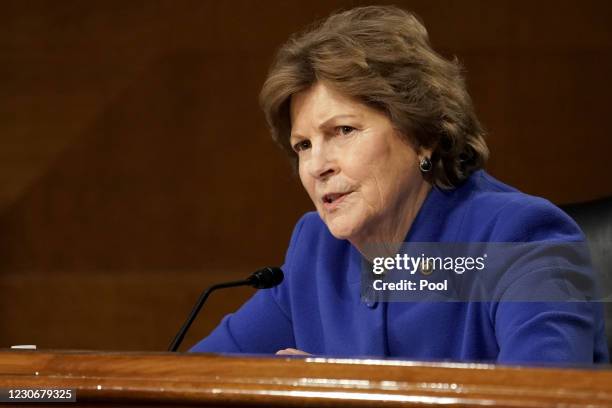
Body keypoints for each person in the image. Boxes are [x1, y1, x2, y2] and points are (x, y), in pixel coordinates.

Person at [191, 6, 609, 364]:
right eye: (303, 145)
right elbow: (196, 381)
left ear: (422, 136)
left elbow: (542, 400)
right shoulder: (319, 252)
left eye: (343, 130)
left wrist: (345, 390)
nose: (317, 165)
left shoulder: (517, 240)